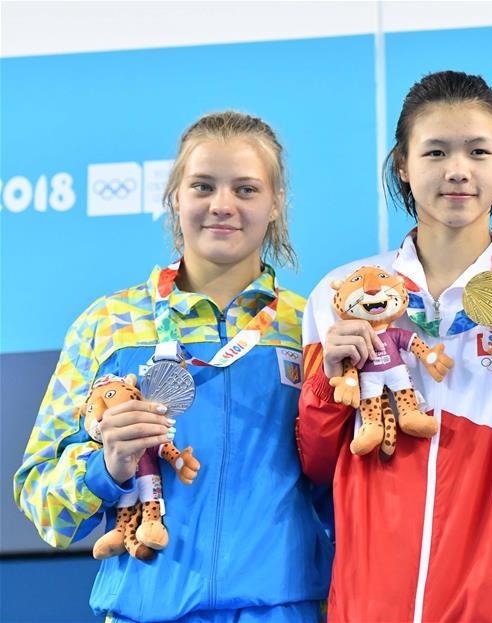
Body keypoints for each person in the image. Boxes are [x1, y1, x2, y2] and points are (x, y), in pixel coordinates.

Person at [296, 70, 492, 623]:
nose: (458, 170)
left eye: (478, 151)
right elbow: (319, 466)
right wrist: (327, 381)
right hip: (371, 603)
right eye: (435, 151)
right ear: (402, 163)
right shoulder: (341, 293)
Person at [14, 111, 333, 623]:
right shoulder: (109, 324)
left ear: (276, 205)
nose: (222, 205)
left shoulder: (311, 325)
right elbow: (41, 502)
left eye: (246, 189)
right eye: (203, 186)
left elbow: (343, 490)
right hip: (146, 612)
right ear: (174, 198)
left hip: (283, 611)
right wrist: (108, 466)